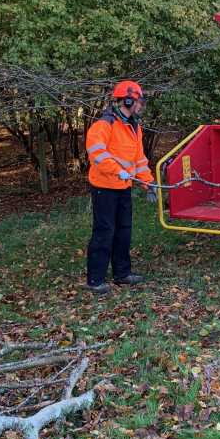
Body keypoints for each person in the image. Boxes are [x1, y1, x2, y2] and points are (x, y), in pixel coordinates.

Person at [84, 81, 157, 294]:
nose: (140, 105)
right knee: (104, 232)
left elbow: (139, 159)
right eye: (138, 101)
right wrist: (117, 170)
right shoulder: (104, 125)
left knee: (124, 231)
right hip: (104, 187)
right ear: (127, 100)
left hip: (123, 186)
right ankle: (95, 280)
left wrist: (148, 183)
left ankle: (122, 274)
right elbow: (97, 154)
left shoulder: (134, 127)